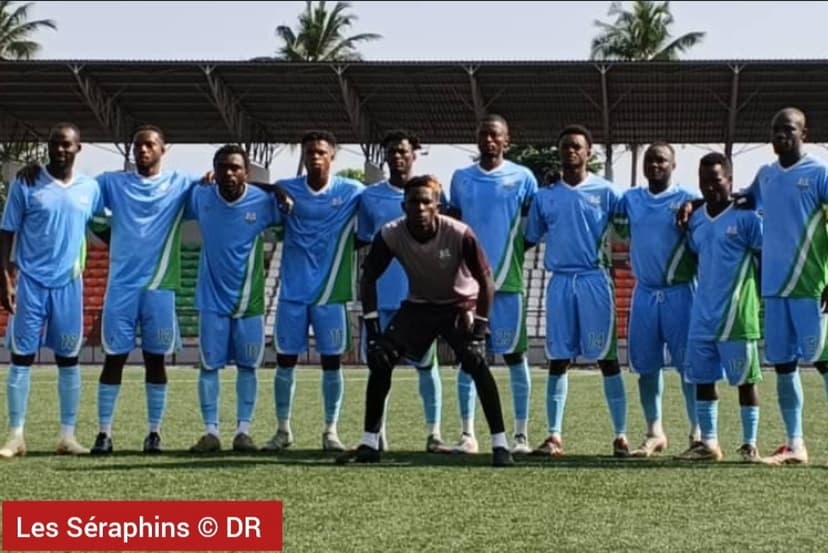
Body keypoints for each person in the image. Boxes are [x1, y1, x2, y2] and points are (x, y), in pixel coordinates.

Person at [339, 175, 514, 467]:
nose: (419, 208)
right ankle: (370, 442)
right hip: (420, 305)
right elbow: (368, 278)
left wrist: (479, 333)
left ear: (437, 206)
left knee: (476, 361)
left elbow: (487, 281)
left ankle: (500, 444)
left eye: (425, 202)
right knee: (380, 358)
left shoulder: (459, 233)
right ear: (403, 206)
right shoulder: (391, 234)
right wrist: (373, 331)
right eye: (413, 202)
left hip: (459, 304)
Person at [524, 124, 629, 457]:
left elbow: (631, 228)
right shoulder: (545, 196)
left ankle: (620, 435)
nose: (570, 151)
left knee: (607, 359)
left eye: (577, 146)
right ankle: (554, 436)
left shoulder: (607, 192)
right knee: (558, 359)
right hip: (559, 283)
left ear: (588, 152)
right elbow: (529, 238)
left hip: (594, 280)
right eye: (565, 146)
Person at [0, 123, 102, 458]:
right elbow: (6, 232)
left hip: (70, 284)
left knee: (68, 360)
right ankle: (16, 436)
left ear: (78, 149)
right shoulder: (26, 182)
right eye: (54, 144)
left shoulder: (91, 188)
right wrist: (5, 278)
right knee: (21, 359)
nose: (60, 150)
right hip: (30, 282)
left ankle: (67, 436)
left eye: (66, 145)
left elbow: (109, 223)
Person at [265, 130, 363, 453]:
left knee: (332, 362)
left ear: (332, 156)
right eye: (309, 152)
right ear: (303, 157)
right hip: (293, 291)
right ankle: (283, 430)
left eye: (321, 152)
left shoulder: (351, 191)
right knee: (285, 361)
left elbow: (383, 203)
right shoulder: (289, 189)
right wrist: (274, 188)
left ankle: (331, 431)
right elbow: (247, 189)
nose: (315, 157)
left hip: (330, 293)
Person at [446, 114, 538, 455]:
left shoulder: (524, 178)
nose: (488, 140)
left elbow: (532, 228)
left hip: (507, 283)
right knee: (469, 357)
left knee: (515, 357)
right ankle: (468, 434)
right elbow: (454, 225)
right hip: (468, 287)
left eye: (494, 135)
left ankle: (520, 435)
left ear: (506, 141)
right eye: (483, 134)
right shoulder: (461, 178)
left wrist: (512, 253)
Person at [185, 145, 284, 453]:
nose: (229, 172)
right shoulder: (200, 196)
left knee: (248, 367)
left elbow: (293, 213)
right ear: (214, 170)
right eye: (223, 166)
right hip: (212, 300)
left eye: (236, 167)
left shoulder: (264, 202)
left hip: (249, 302)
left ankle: (243, 431)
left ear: (247, 173)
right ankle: (211, 432)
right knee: (209, 367)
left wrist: (275, 188)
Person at [744, 108, 828, 465]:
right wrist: (694, 204)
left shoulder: (819, 173)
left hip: (811, 288)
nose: (781, 135)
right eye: (776, 129)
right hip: (774, 289)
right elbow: (742, 201)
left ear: (803, 134)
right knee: (783, 364)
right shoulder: (766, 176)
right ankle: (795, 444)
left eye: (789, 129)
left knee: (824, 362)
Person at [357, 130, 444, 453]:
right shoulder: (369, 197)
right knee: (379, 367)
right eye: (391, 151)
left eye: (403, 151)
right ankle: (377, 434)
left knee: (426, 365)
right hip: (383, 295)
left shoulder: (432, 193)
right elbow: (365, 239)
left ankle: (434, 433)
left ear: (413, 154)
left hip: (419, 296)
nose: (397, 156)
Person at [674, 152, 763, 462]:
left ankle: (749, 442)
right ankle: (708, 444)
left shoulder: (748, 219)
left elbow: (767, 256)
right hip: (702, 314)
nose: (710, 187)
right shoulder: (695, 219)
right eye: (704, 182)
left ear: (730, 181)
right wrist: (693, 205)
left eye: (716, 180)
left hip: (737, 315)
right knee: (703, 379)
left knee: (745, 381)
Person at [614, 143, 700, 457]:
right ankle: (654, 431)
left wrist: (698, 203)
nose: (654, 165)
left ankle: (698, 431)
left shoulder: (688, 199)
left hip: (681, 293)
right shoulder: (632, 199)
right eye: (650, 160)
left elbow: (721, 204)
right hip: (645, 294)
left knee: (689, 368)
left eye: (661, 160)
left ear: (673, 165)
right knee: (646, 367)